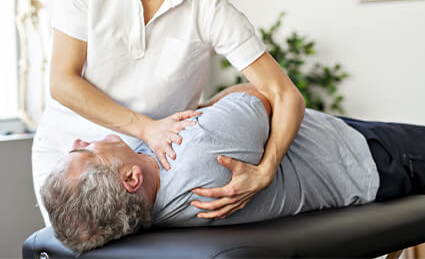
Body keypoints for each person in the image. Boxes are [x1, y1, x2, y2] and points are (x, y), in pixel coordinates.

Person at [32, 0, 305, 225]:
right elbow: (63, 83)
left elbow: (287, 95)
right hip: (70, 158)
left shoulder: (209, 7)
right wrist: (145, 126)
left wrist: (266, 170)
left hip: (144, 170)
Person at [41, 83, 425, 254]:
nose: (80, 141)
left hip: (341, 143)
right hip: (367, 157)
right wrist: (209, 111)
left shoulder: (143, 202)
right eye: (86, 153)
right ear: (130, 179)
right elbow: (263, 92)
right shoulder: (202, 155)